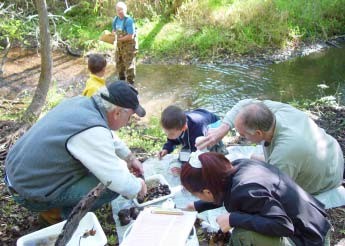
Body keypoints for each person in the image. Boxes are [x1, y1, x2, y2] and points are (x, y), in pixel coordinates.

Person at [4, 81, 147, 225]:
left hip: (17, 174)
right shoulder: (92, 132)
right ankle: (57, 217)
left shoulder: (82, 103)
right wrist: (138, 186)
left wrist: (129, 157)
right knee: (108, 187)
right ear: (116, 112)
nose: (128, 122)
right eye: (129, 117)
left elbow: (106, 134)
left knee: (101, 171)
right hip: (28, 191)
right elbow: (117, 180)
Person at [196, 99, 344, 207]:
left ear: (258, 133)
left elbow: (270, 191)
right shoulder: (271, 111)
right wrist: (223, 128)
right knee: (254, 160)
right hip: (329, 152)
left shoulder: (285, 152)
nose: (241, 136)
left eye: (243, 135)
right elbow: (244, 104)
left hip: (326, 178)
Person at [181, 152, 331, 246]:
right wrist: (196, 205)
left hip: (309, 239)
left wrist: (233, 219)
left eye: (196, 194)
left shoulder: (247, 190)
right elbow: (221, 190)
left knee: (243, 234)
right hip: (314, 224)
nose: (196, 197)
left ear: (207, 191)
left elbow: (283, 225)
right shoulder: (238, 166)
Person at [158, 105, 228, 161]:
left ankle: (220, 149)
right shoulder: (175, 126)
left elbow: (197, 152)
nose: (169, 136)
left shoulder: (198, 130)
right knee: (186, 146)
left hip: (213, 122)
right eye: (166, 133)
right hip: (198, 114)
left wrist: (185, 167)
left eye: (171, 134)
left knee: (209, 146)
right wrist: (166, 149)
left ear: (183, 128)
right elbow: (172, 140)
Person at [112, 1, 136, 84]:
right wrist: (112, 35)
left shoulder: (129, 20)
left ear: (125, 10)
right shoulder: (115, 19)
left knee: (129, 66)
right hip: (119, 47)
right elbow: (114, 31)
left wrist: (119, 39)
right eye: (118, 10)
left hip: (128, 47)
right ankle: (121, 84)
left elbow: (130, 36)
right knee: (119, 65)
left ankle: (131, 85)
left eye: (121, 9)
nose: (120, 12)